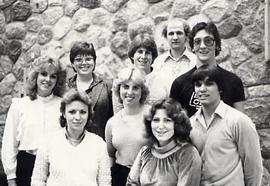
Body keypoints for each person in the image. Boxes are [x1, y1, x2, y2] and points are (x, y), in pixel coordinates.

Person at [189, 65, 263, 185]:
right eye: (198, 85)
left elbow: (253, 165)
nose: (202, 89)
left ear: (220, 88)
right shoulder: (190, 124)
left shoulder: (239, 121)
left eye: (209, 84)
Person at [1, 56, 66, 186]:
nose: (47, 79)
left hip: (54, 166)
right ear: (35, 76)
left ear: (57, 80)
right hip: (26, 165)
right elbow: (10, 143)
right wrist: (11, 177)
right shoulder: (19, 105)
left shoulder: (63, 105)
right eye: (43, 74)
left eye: (53, 76)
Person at [31, 89, 111, 185]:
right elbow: (37, 179)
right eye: (72, 112)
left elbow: (105, 182)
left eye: (83, 112)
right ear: (64, 113)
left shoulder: (99, 144)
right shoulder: (49, 142)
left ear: (89, 115)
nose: (77, 117)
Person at [170, 21, 245, 117]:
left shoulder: (234, 82)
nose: (202, 46)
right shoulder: (179, 84)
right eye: (197, 42)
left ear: (217, 45)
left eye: (208, 41)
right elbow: (174, 123)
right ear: (192, 47)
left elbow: (240, 123)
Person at [126, 98, 201, 186]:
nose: (160, 126)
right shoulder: (145, 151)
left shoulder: (188, 153)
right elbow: (131, 183)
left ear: (177, 124)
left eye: (167, 120)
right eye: (156, 120)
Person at [105, 67, 150, 186]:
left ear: (142, 91)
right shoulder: (112, 122)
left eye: (135, 88)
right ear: (118, 89)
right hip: (120, 177)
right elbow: (110, 155)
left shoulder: (152, 116)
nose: (130, 92)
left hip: (147, 175)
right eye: (125, 87)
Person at [67, 41, 113, 139]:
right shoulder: (65, 87)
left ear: (94, 62)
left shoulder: (107, 86)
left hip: (100, 144)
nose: (84, 63)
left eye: (88, 59)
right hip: (71, 144)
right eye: (78, 59)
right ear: (72, 64)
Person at [113, 33, 161, 113]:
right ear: (132, 55)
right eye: (140, 52)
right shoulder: (122, 78)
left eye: (147, 53)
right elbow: (118, 111)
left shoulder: (161, 79)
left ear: (153, 56)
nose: (143, 56)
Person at [151, 18, 196, 98]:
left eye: (179, 33)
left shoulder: (195, 61)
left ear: (186, 35)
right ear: (166, 37)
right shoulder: (158, 62)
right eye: (171, 34)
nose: (175, 37)